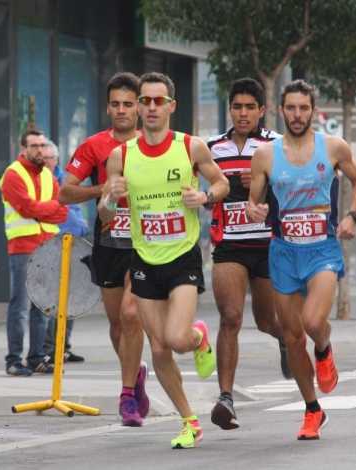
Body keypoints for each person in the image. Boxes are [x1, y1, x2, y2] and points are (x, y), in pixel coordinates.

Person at [100, 72, 229, 449]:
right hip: (144, 259)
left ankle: (199, 337)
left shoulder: (191, 147)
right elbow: (105, 216)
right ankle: (189, 421)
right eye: (146, 101)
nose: (151, 107)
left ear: (171, 106)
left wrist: (204, 198)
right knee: (157, 349)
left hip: (182, 256)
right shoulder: (120, 156)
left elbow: (221, 183)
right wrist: (110, 198)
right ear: (139, 107)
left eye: (159, 101)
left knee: (175, 338)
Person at [247, 79, 356, 440]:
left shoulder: (332, 147)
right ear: (281, 110)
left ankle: (325, 348)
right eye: (291, 108)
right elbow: (256, 200)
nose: (297, 115)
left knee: (314, 321)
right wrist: (255, 211)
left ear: (313, 110)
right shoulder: (265, 155)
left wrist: (352, 217)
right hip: (284, 252)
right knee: (292, 335)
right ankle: (312, 409)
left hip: (322, 250)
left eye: (304, 108)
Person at [59, 72, 149, 427]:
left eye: (129, 104)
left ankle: (126, 395)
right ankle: (136, 371)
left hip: (145, 244)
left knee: (131, 314)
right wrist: (102, 190)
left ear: (140, 107)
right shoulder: (94, 146)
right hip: (109, 241)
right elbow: (65, 192)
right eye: (116, 104)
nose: (122, 110)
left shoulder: (156, 144)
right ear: (107, 107)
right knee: (117, 325)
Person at [206, 78, 290, 431]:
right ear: (230, 109)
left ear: (261, 110)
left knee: (268, 321)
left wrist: (260, 183)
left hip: (268, 245)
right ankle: (226, 397)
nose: (242, 113)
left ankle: (286, 339)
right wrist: (216, 190)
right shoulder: (212, 147)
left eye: (249, 107)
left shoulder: (276, 146)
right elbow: (204, 187)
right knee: (230, 317)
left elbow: (292, 189)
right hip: (229, 245)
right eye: (236, 107)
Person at [0, 129, 68, 377]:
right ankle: (14, 359)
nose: (40, 150)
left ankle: (37, 357)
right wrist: (48, 208)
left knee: (43, 305)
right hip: (23, 246)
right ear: (24, 148)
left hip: (47, 246)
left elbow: (63, 212)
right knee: (20, 305)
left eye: (42, 145)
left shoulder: (49, 176)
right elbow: (26, 209)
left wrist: (44, 209)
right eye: (35, 146)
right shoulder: (12, 174)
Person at [42, 140, 88, 364]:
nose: (47, 162)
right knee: (53, 299)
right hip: (52, 244)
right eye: (44, 159)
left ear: (57, 159)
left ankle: (63, 346)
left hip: (73, 242)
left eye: (50, 158)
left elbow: (74, 211)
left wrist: (82, 228)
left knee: (69, 298)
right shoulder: (42, 181)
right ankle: (50, 347)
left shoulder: (65, 180)